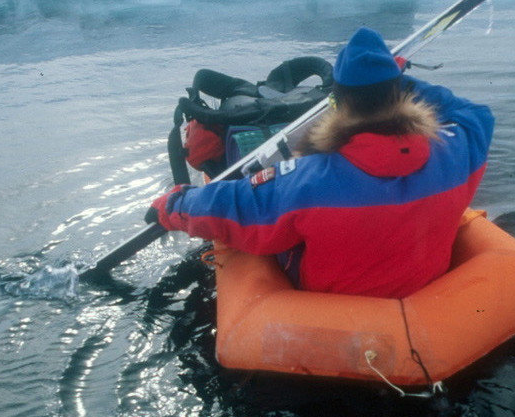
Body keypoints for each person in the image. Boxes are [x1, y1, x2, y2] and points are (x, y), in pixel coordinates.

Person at [148, 26, 494, 298]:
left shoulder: (307, 180)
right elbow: (473, 112)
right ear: (399, 92)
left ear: (338, 100)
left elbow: (230, 205)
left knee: (265, 226)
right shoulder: (459, 148)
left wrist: (173, 203)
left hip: (336, 307)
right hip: (425, 293)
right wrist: (401, 79)